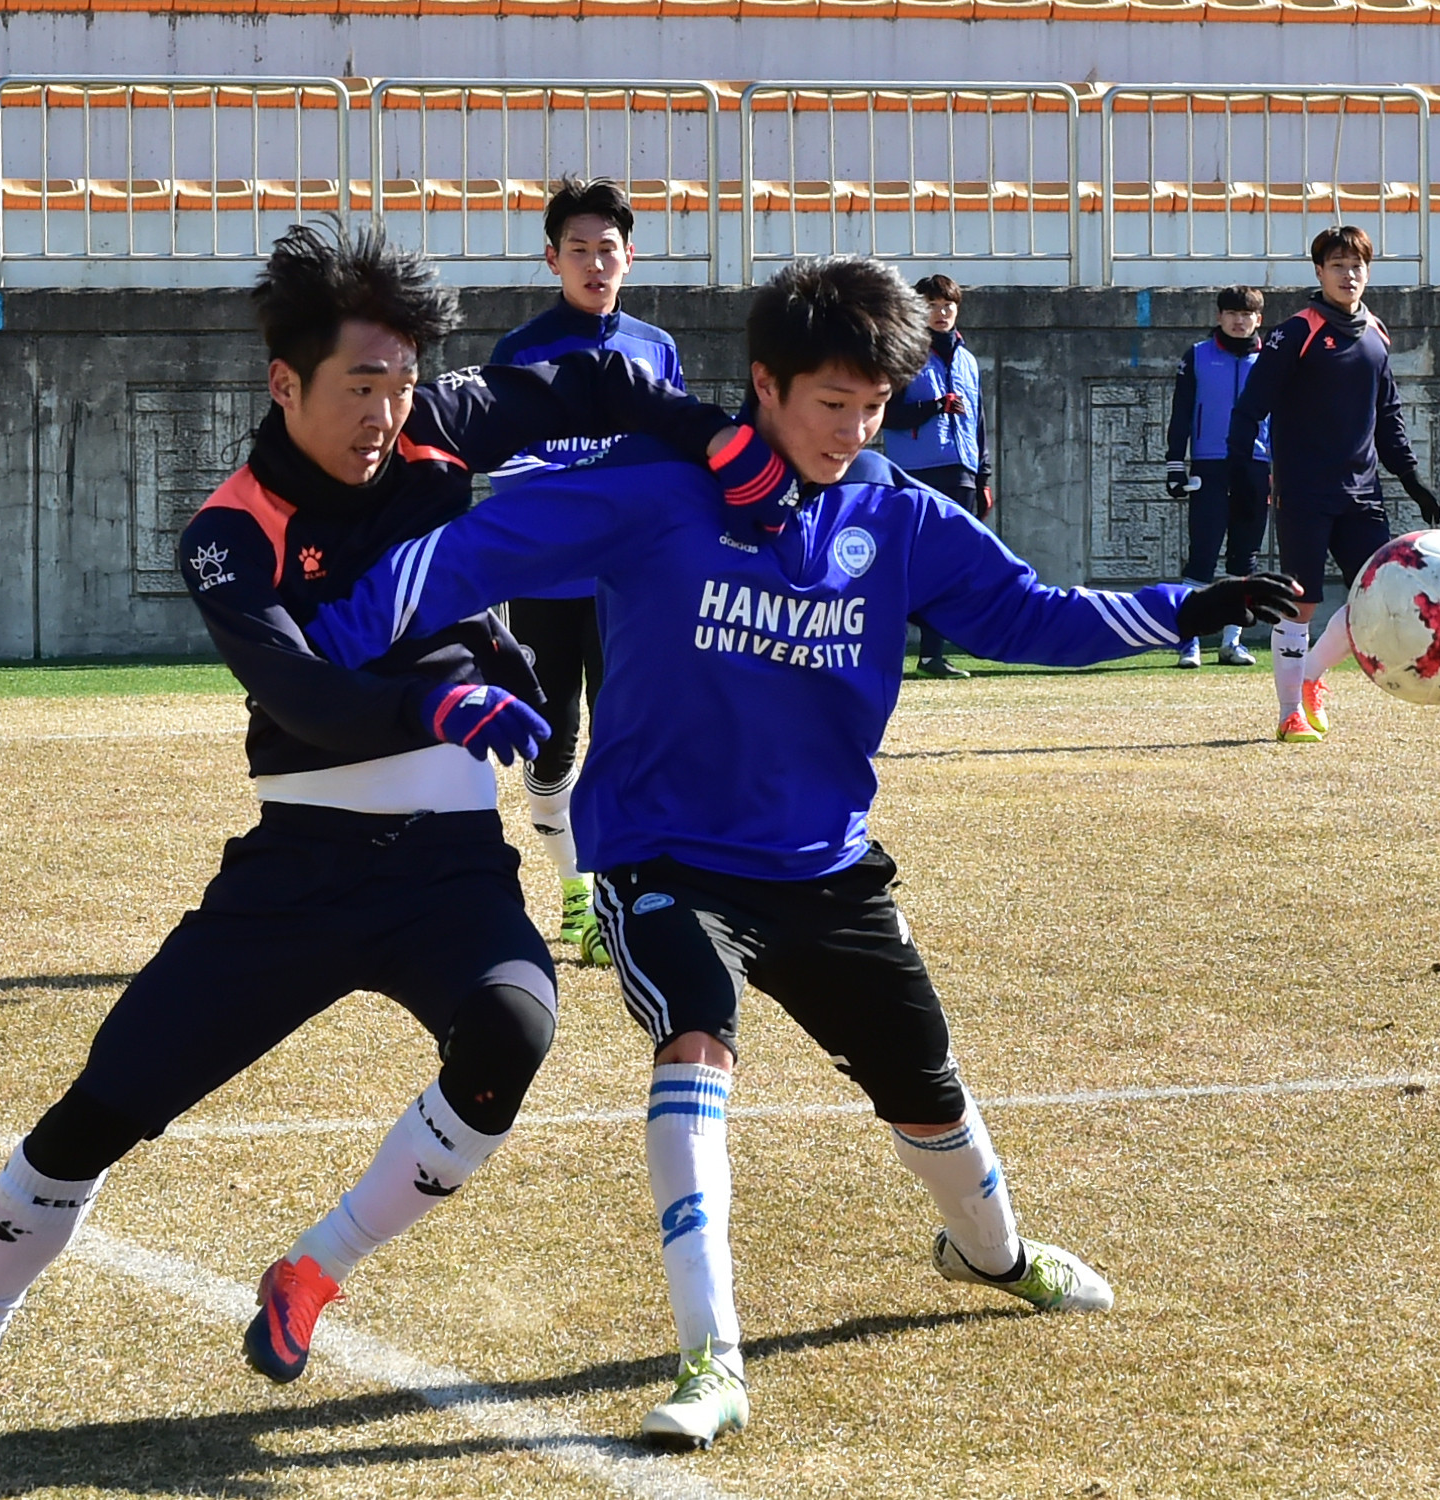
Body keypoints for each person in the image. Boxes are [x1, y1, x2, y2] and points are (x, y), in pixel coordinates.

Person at [302, 256, 1298, 1450]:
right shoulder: (656, 489)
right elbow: (467, 555)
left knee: (924, 1096)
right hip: (660, 850)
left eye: (875, 407)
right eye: (833, 403)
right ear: (764, 385)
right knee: (696, 1030)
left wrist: (1184, 606)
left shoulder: (895, 514)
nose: (855, 429)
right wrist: (321, 641)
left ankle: (996, 1256)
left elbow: (1030, 613)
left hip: (825, 864)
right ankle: (712, 1361)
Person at [0, 223, 763, 1417]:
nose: (383, 414)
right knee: (107, 1103)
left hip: (447, 867)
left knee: (512, 1033)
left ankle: (313, 1270)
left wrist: (719, 439)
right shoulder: (229, 531)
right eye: (357, 387)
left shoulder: (439, 420)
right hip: (297, 868)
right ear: (285, 383)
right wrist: (434, 695)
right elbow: (301, 696)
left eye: (397, 385)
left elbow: (590, 378)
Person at [488, 175, 685, 965]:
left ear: (630, 257)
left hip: (630, 585)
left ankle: (613, 896)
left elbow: (673, 461)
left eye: (608, 249)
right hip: (545, 578)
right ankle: (573, 887)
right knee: (553, 740)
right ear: (552, 258)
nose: (595, 263)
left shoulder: (656, 350)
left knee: (627, 732)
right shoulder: (521, 352)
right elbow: (501, 464)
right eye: (579, 250)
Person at [1229, 225, 1440, 743]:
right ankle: (1288, 713)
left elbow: (1387, 414)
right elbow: (1250, 408)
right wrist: (1242, 472)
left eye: (1358, 265)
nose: (1350, 275)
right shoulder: (1295, 333)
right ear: (1319, 272)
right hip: (1304, 490)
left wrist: (1410, 476)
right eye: (1338, 265)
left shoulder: (1376, 334)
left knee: (1374, 597)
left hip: (1363, 494)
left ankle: (1309, 680)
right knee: (1300, 601)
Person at [881, 273, 991, 679]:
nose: (941, 312)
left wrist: (983, 476)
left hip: (960, 471)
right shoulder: (903, 355)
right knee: (906, 564)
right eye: (932, 304)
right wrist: (934, 407)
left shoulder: (967, 358)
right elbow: (885, 417)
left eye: (948, 305)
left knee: (949, 564)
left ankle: (932, 654)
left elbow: (978, 421)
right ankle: (885, 649)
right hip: (914, 471)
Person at [1165, 286, 1271, 668]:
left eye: (1247, 314)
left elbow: (1289, 420)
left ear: (1259, 319)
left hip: (1257, 465)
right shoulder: (1196, 356)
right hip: (1209, 465)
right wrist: (1175, 463)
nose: (1239, 320)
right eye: (1231, 313)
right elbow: (1181, 414)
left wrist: (1284, 471)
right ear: (1219, 316)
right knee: (1202, 556)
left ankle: (1232, 642)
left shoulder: (1273, 360)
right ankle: (1188, 642)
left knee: (1244, 557)